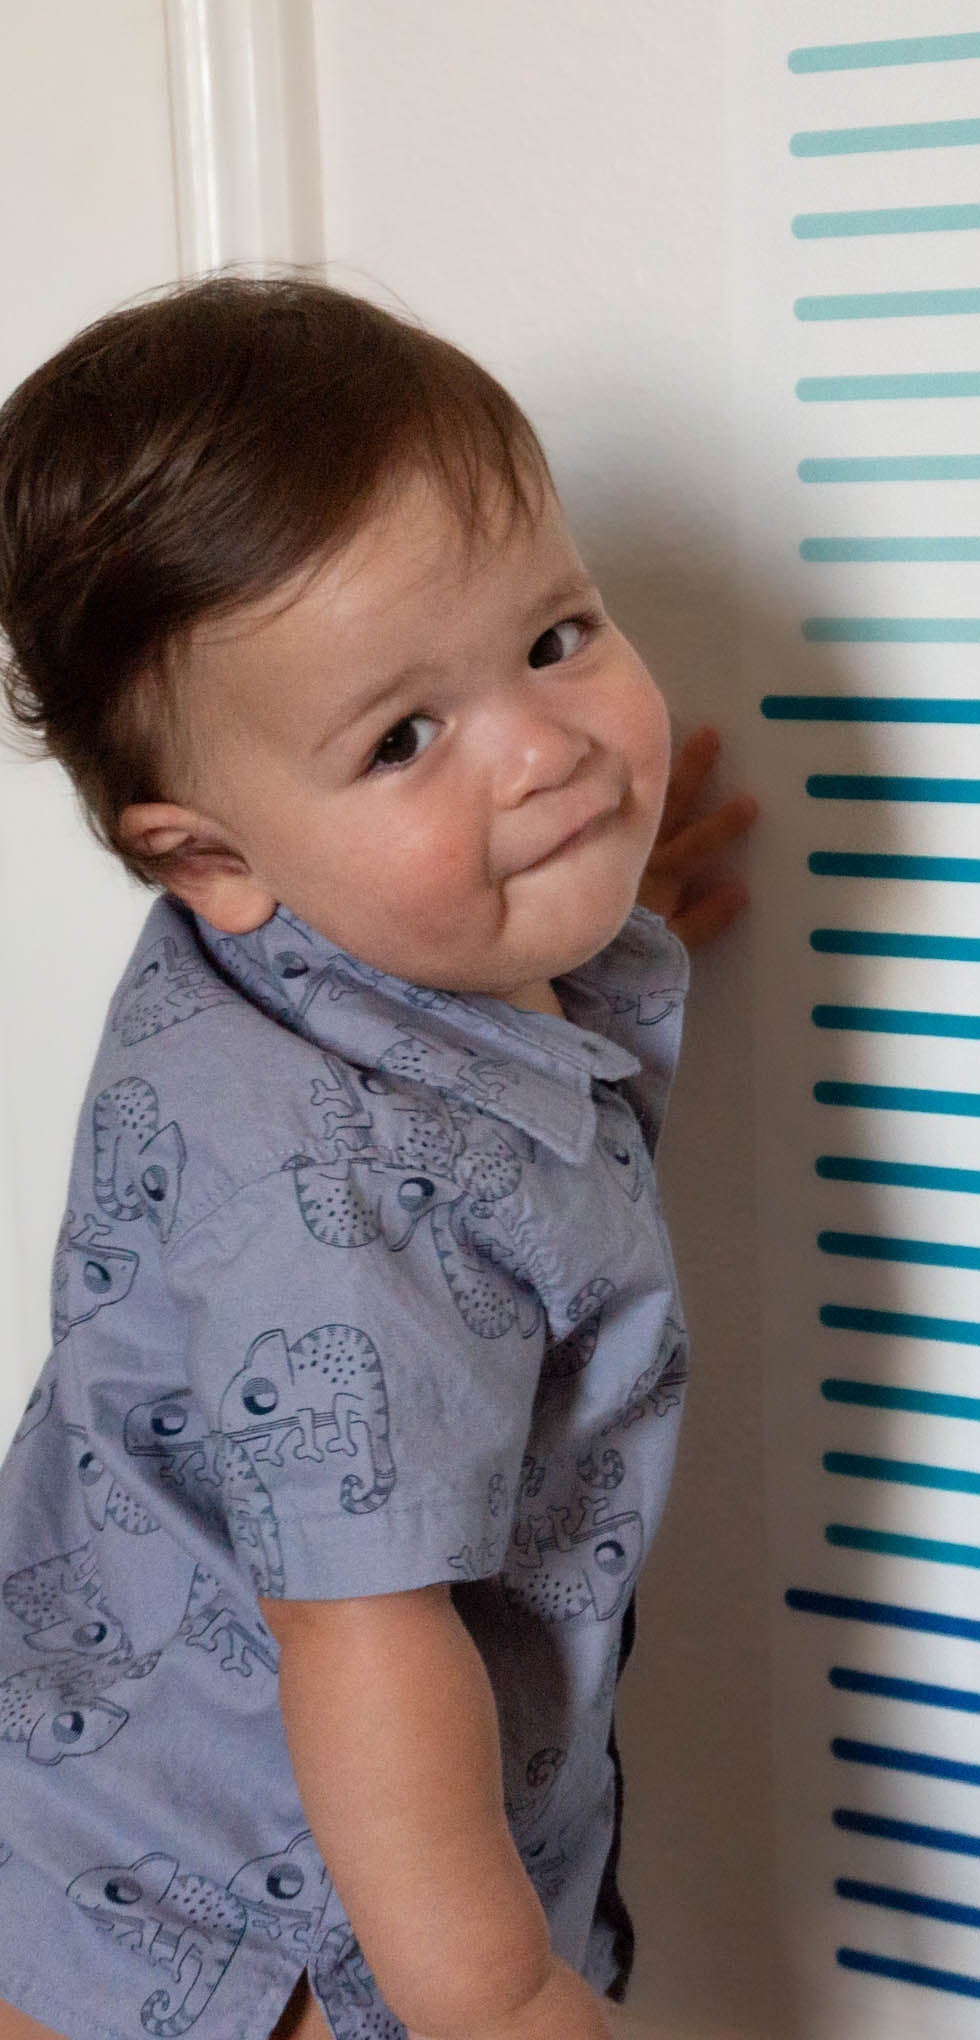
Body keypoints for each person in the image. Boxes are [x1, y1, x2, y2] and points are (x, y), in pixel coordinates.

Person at [0, 273, 756, 2039]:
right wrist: (490, 2001)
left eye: (555, 636)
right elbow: (362, 1639)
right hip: (248, 1936)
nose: (542, 749)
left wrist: (586, 896)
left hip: (94, 1812)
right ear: (207, 858)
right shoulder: (332, 1202)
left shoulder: (299, 932)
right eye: (405, 739)